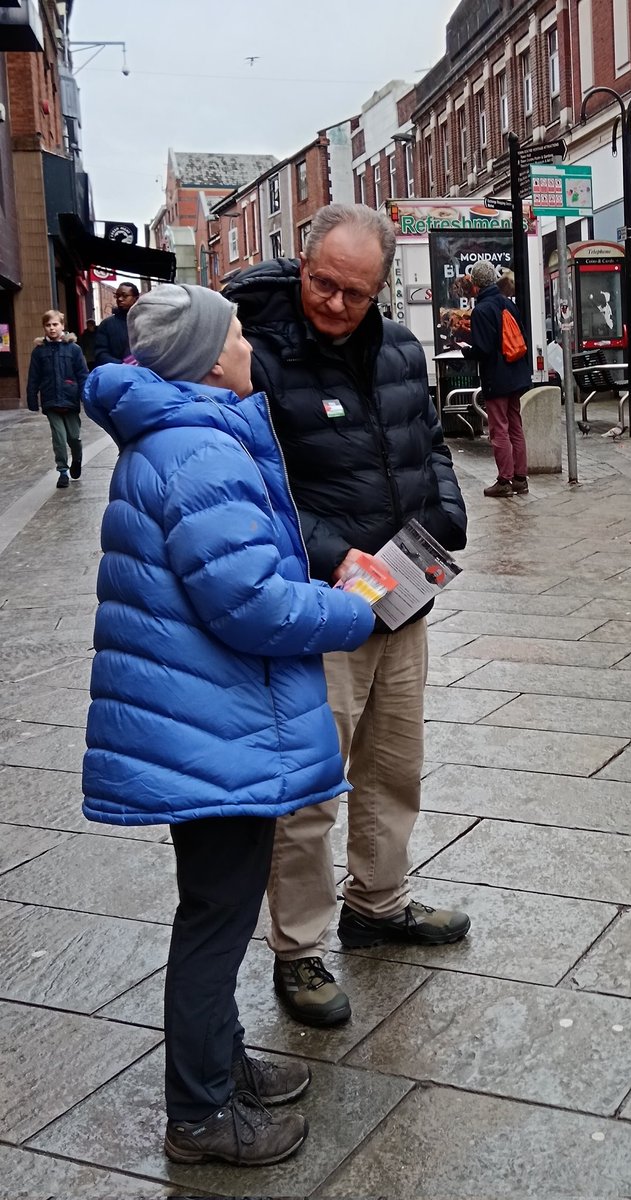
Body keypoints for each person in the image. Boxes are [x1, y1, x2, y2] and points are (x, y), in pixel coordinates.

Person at [82, 284, 376, 1166]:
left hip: (201, 725)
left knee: (217, 908)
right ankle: (202, 1113)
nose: (250, 344)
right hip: (212, 732)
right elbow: (249, 604)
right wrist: (348, 608)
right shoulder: (200, 451)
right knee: (215, 920)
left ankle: (220, 1065)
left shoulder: (177, 438)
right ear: (211, 358)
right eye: (239, 333)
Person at [223, 203, 469, 1029]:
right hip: (318, 607)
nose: (332, 303)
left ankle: (378, 901)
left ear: (380, 290)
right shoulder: (258, 354)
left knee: (394, 765)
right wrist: (332, 555)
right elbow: (259, 489)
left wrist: (446, 515)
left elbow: (428, 443)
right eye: (322, 282)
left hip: (401, 598)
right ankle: (299, 951)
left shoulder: (399, 347)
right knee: (308, 789)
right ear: (303, 261)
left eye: (353, 293)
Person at [459, 258, 532, 497]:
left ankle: (504, 481)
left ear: (477, 284)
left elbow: (484, 349)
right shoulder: (508, 305)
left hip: (497, 379)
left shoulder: (481, 310)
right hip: (516, 376)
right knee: (515, 426)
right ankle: (521, 479)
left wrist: (465, 350)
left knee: (498, 429)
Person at [26, 309, 87, 489]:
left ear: (62, 325)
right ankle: (62, 471)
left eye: (55, 324)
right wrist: (32, 399)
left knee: (74, 437)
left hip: (70, 399)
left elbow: (83, 374)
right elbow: (34, 377)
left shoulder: (74, 349)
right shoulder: (39, 352)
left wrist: (85, 395)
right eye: (48, 325)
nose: (52, 328)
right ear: (44, 327)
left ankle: (77, 458)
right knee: (59, 438)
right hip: (50, 400)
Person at [93, 282, 139, 365]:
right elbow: (100, 354)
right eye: (117, 296)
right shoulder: (106, 324)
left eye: (125, 296)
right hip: (116, 374)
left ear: (136, 298)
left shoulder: (145, 321)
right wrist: (122, 365)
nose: (120, 299)